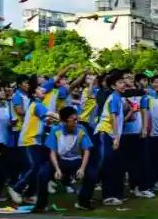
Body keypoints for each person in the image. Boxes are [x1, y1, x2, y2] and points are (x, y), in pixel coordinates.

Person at [45, 107, 97, 210]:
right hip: (61, 162)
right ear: (64, 122)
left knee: (92, 174)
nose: (76, 122)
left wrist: (82, 169)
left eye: (76, 119)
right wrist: (57, 169)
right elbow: (52, 152)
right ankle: (41, 204)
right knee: (42, 173)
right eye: (73, 120)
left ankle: (83, 202)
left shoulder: (81, 129)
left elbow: (87, 150)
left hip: (77, 160)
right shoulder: (56, 131)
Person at [95, 71, 127, 205]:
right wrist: (115, 138)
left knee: (116, 165)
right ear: (113, 86)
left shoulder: (118, 98)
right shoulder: (114, 98)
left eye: (123, 82)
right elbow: (113, 118)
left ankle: (115, 194)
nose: (124, 84)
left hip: (111, 134)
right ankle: (107, 196)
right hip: (106, 133)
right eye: (120, 83)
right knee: (108, 165)